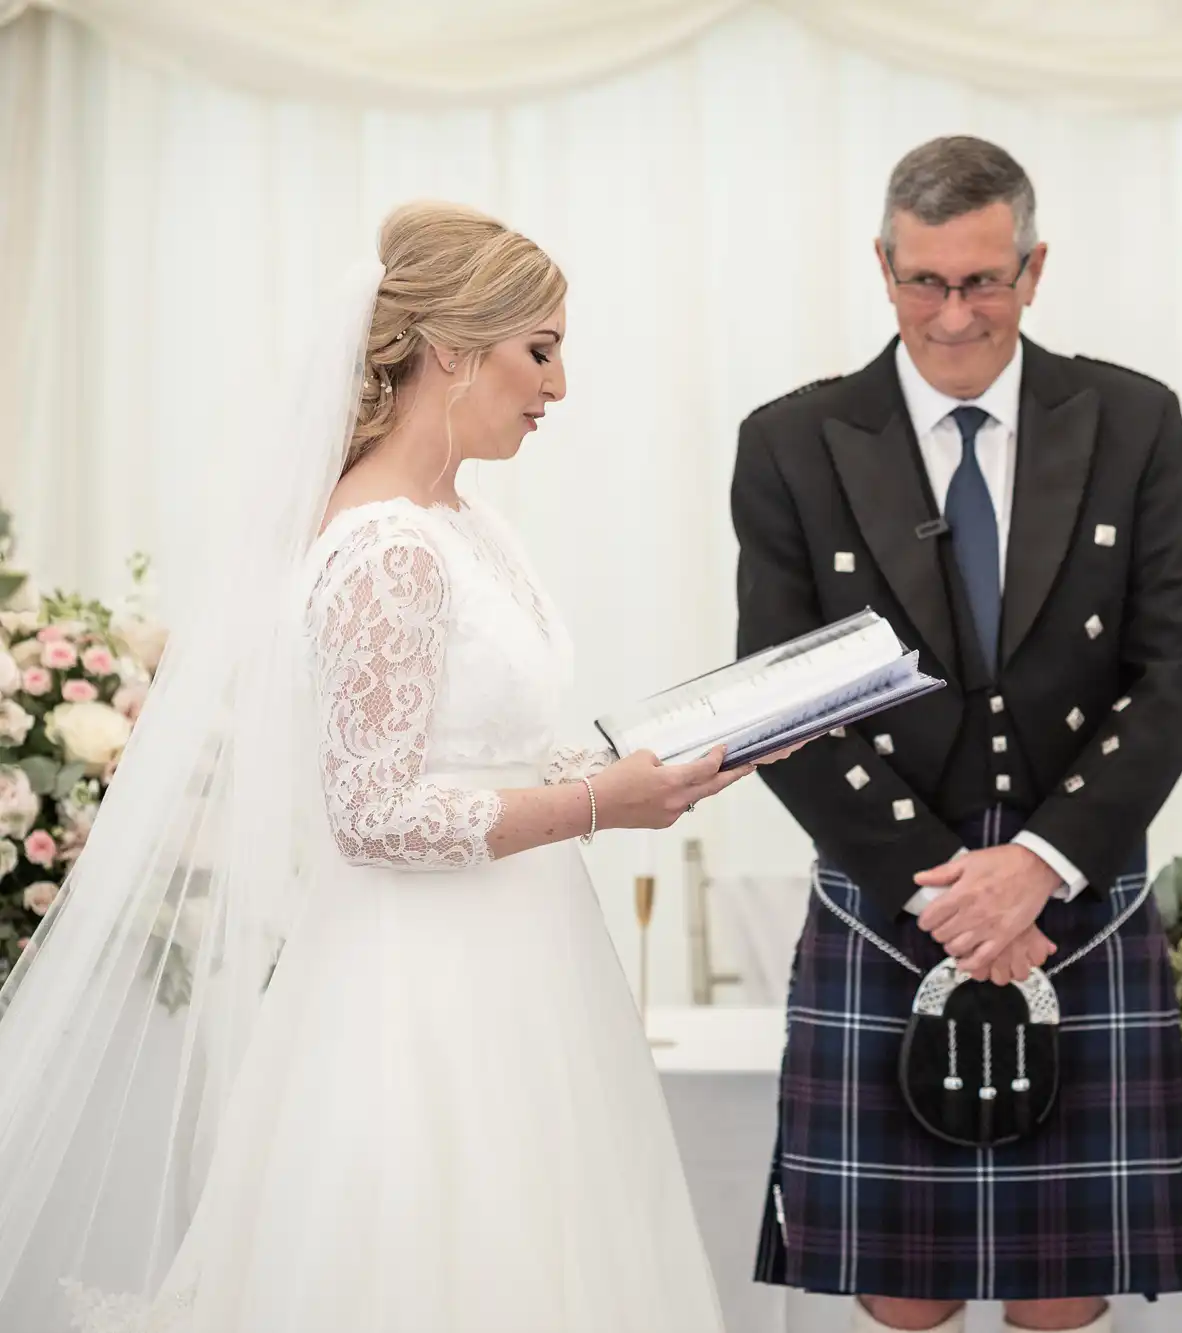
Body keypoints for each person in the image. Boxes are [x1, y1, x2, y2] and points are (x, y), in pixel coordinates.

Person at [0, 202, 772, 1332]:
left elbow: (481, 750)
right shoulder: (386, 546)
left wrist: (638, 757)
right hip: (422, 982)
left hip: (527, 952)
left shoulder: (462, 522)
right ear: (452, 348)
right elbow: (370, 812)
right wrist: (602, 801)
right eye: (541, 350)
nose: (558, 387)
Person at [731, 136, 1182, 1333]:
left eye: (982, 281)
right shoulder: (792, 442)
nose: (952, 316)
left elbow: (1169, 675)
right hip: (892, 888)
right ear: (882, 268)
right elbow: (779, 698)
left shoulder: (1131, 419)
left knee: (1063, 1289)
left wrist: (1037, 867)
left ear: (1034, 268)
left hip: (1073, 881)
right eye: (923, 282)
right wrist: (945, 892)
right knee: (903, 1290)